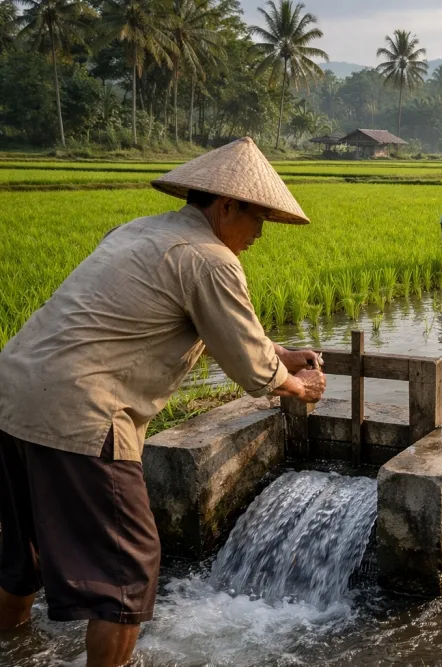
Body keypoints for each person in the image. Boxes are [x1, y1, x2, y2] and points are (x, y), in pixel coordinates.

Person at [0, 137, 327, 667]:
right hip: (83, 415)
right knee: (128, 574)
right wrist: (298, 385)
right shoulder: (211, 257)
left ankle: (12, 649)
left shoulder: (141, 230)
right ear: (226, 206)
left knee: (19, 557)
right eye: (257, 217)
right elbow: (253, 370)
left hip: (12, 399)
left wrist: (282, 354)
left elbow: (228, 335)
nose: (261, 233)